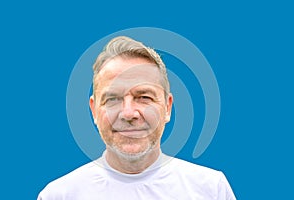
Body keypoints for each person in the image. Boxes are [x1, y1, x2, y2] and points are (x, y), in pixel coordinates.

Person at [37, 36, 236, 200]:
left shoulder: (212, 190)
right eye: (113, 99)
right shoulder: (59, 196)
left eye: (144, 97)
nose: (129, 113)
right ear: (94, 110)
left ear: (167, 107)